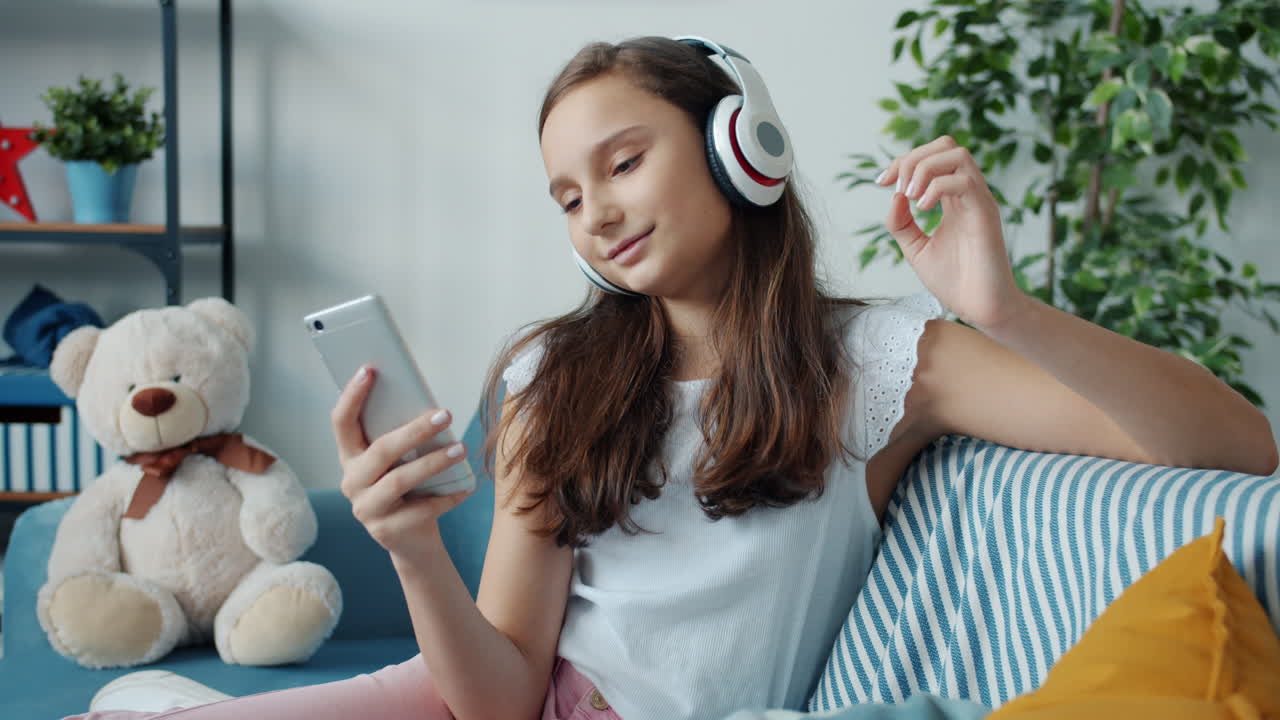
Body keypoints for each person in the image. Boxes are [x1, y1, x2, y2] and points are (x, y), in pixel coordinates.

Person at [68, 34, 1276, 720]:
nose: (595, 213)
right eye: (567, 196)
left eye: (622, 162)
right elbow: (496, 693)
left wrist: (1001, 311)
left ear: (738, 147)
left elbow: (1233, 448)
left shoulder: (884, 362)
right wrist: (413, 551)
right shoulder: (558, 373)